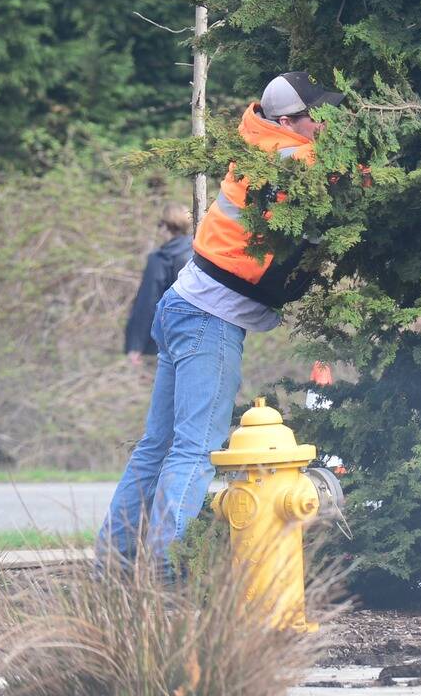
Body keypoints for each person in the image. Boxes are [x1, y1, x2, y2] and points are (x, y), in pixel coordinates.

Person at [99, 70, 342, 574]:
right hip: (207, 319)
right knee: (195, 450)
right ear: (286, 122)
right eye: (315, 115)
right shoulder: (290, 159)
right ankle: (167, 572)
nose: (323, 124)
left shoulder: (258, 145)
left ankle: (112, 566)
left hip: (182, 306)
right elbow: (343, 174)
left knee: (157, 447)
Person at [124, 205, 193, 366]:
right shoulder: (200, 255)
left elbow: (148, 302)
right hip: (197, 339)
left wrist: (136, 345)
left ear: (166, 226)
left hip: (165, 343)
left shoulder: (160, 259)